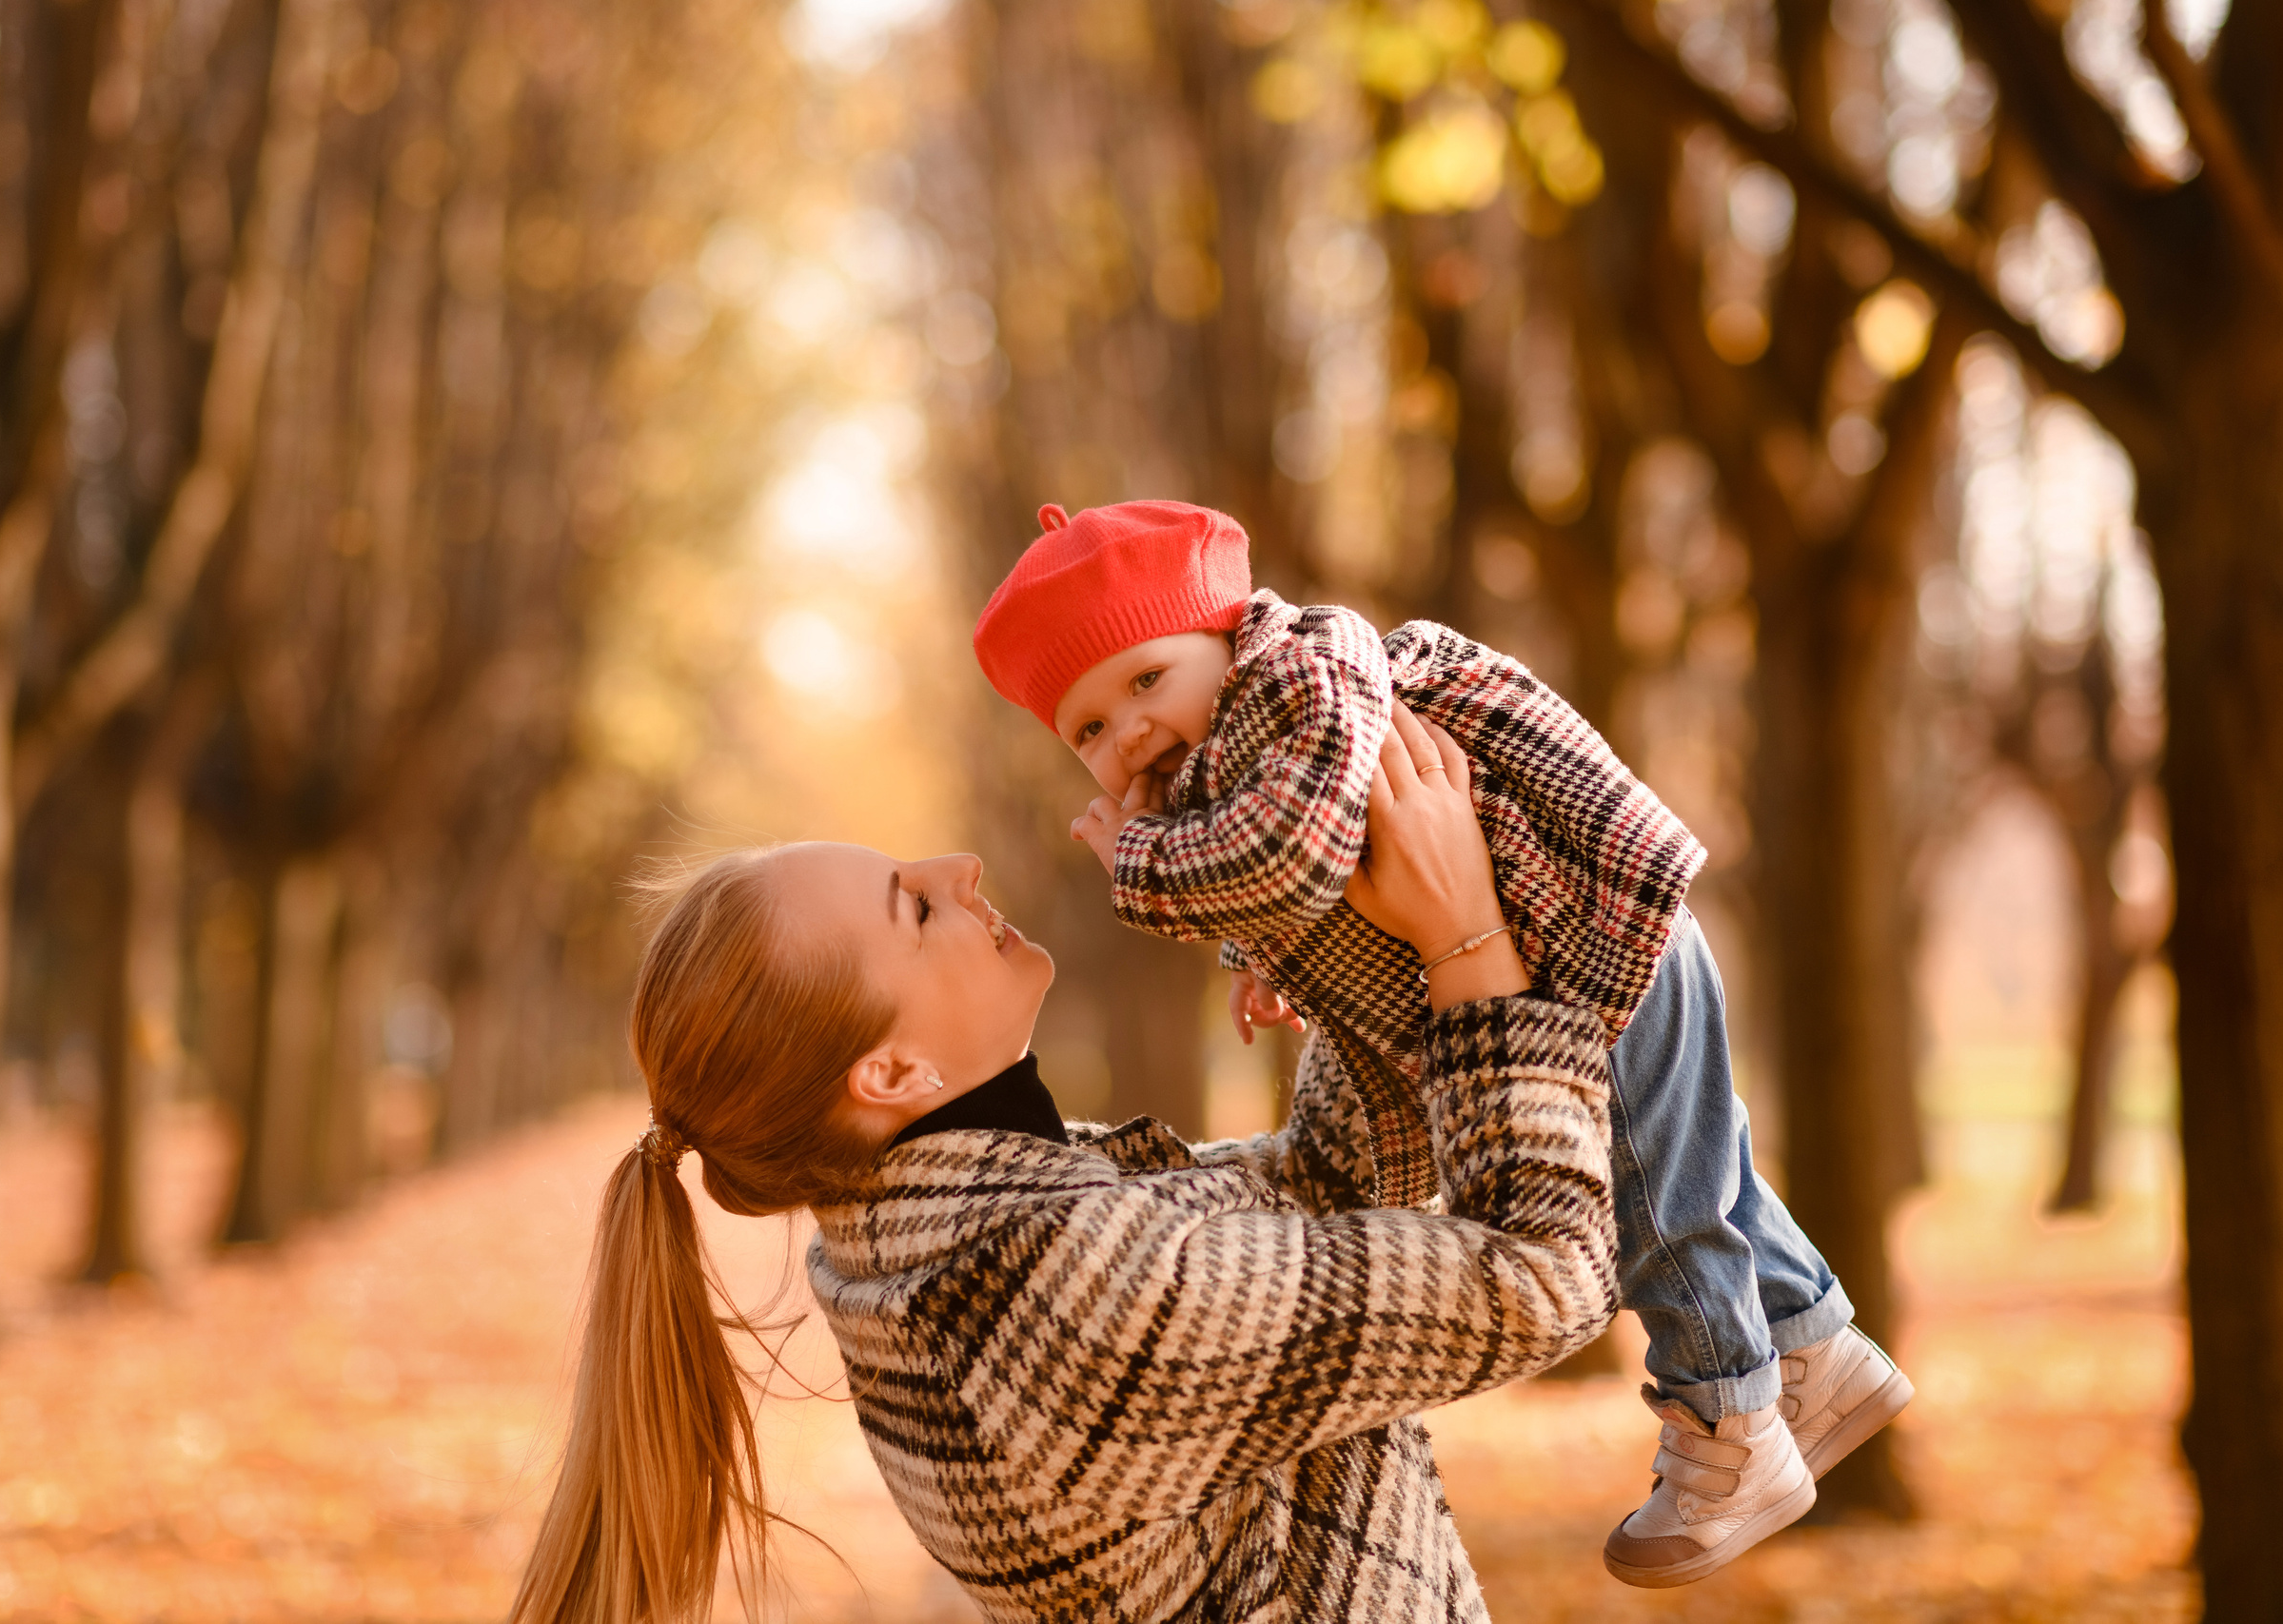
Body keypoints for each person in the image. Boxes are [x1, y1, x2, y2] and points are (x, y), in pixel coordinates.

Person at [971, 499, 1912, 1586]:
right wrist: (1269, 964)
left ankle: (1727, 1422)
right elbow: (1312, 872)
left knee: (1647, 1201)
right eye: (1086, 727)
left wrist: (1141, 861)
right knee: (1696, 1168)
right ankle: (1816, 1348)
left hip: (1590, 934)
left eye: (1144, 681)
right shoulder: (1242, 748)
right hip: (1589, 943)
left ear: (1225, 632)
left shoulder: (1296, 674)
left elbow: (1294, 846)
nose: (1125, 732)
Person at [511, 708, 1624, 1623]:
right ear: (891, 1073)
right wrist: (1467, 934)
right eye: (914, 904)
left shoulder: (967, 1229)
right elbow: (1538, 1274)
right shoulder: (1043, 1287)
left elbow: (1334, 1188)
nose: (961, 867)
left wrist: (1310, 933)